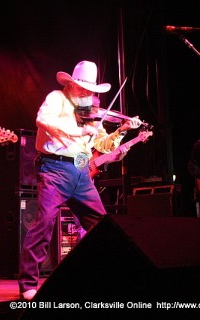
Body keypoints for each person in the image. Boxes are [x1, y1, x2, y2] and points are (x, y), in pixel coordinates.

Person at [18, 60, 142, 300]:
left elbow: (102, 144)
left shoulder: (88, 110)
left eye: (91, 91)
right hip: (54, 168)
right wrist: (80, 130)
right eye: (82, 88)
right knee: (43, 224)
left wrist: (123, 130)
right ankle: (27, 284)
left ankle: (108, 278)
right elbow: (43, 120)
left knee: (102, 226)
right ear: (71, 84)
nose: (87, 94)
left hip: (81, 171)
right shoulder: (56, 98)